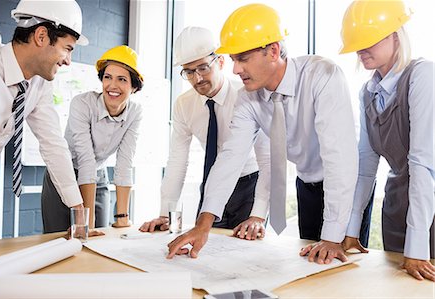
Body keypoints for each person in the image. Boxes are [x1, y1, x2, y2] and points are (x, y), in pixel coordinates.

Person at [167, 3, 361, 264]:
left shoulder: (322, 76)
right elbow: (230, 158)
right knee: (313, 266)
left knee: (343, 263)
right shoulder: (247, 99)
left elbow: (339, 158)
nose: (235, 69)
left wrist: (333, 236)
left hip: (347, 183)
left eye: (242, 59)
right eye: (234, 59)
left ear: (273, 51)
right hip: (306, 186)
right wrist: (204, 223)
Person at [139, 26, 270, 239]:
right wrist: (164, 213)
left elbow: (268, 158)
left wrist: (258, 215)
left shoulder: (247, 95)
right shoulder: (184, 105)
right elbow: (178, 161)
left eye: (202, 68)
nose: (197, 78)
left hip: (249, 186)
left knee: (244, 251)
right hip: (211, 184)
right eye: (189, 72)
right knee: (204, 246)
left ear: (220, 62)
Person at [339, 0, 435, 281]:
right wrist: (351, 228)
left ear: (395, 35)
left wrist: (417, 247)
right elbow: (366, 166)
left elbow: (423, 163)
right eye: (356, 42)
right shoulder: (367, 93)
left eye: (368, 39)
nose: (360, 48)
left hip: (430, 209)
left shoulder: (423, 76)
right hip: (396, 210)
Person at [0, 0, 87, 215]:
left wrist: (77, 209)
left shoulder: (38, 84)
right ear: (41, 36)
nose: (68, 61)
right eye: (67, 49)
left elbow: (53, 143)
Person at [42, 45, 144, 234]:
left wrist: (122, 218)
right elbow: (85, 158)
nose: (112, 86)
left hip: (98, 174)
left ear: (134, 86)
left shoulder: (135, 113)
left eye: (122, 79)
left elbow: (125, 163)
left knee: (100, 237)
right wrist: (85, 224)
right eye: (107, 77)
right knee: (59, 238)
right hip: (64, 173)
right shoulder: (82, 104)